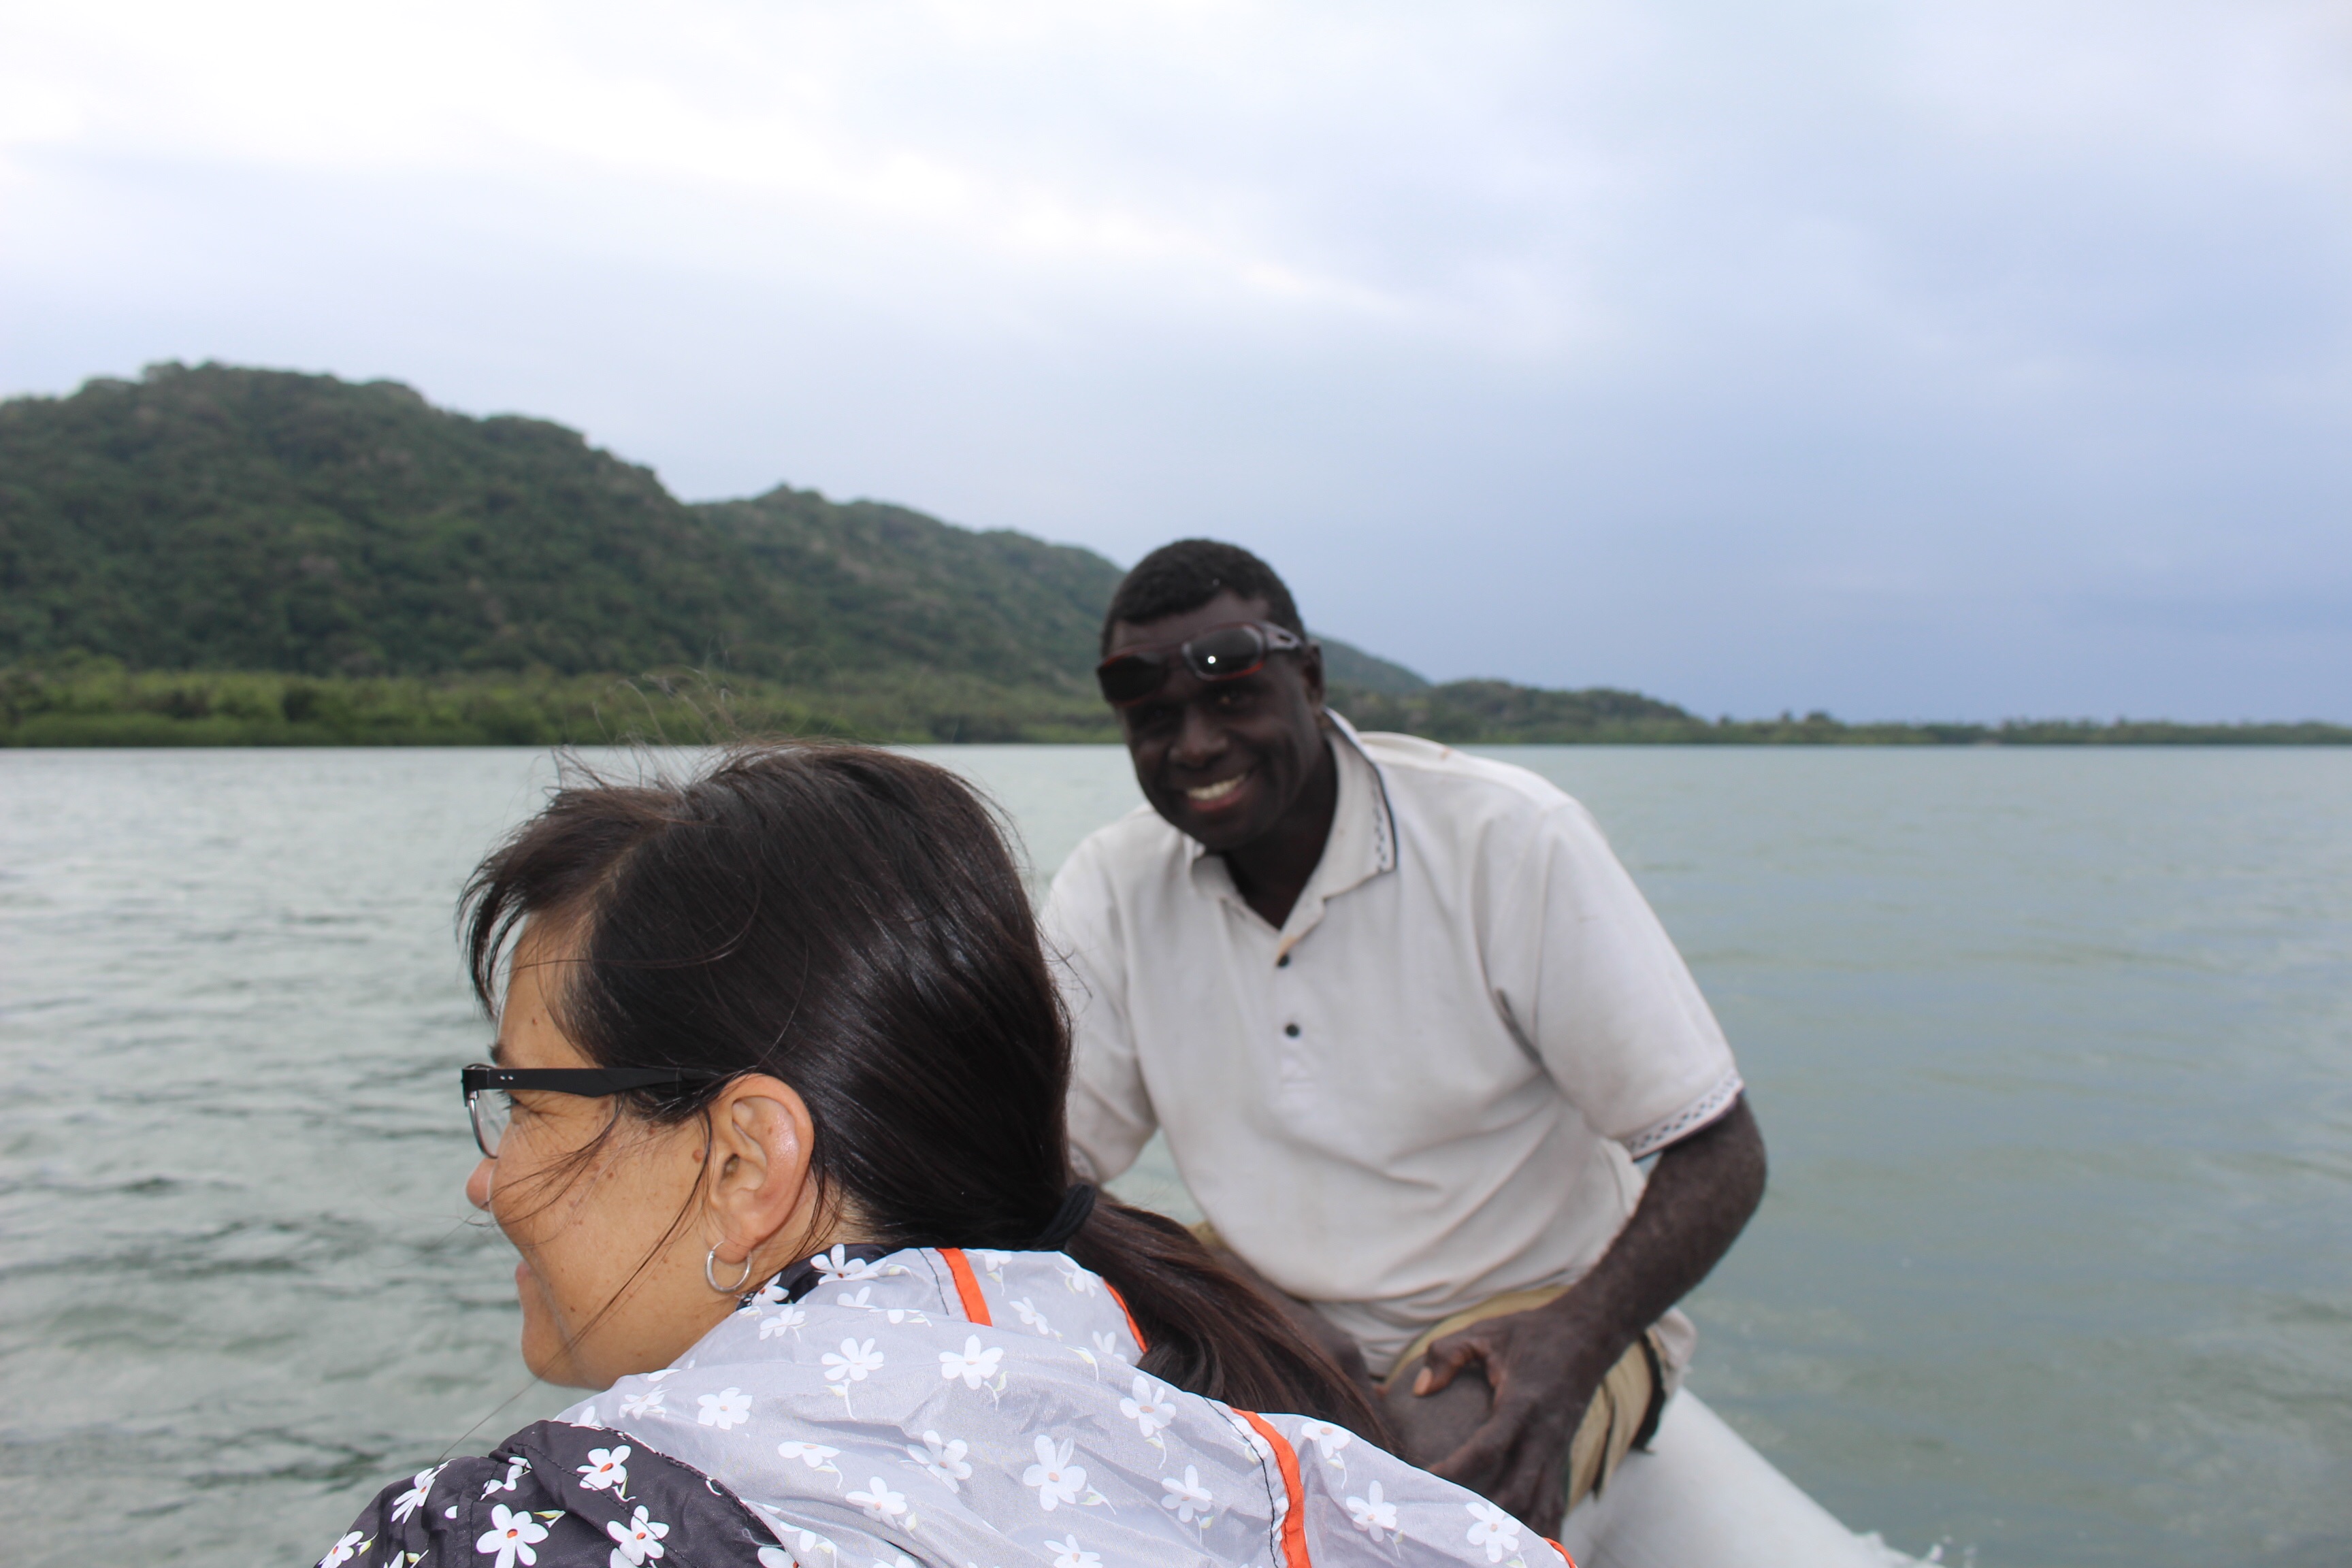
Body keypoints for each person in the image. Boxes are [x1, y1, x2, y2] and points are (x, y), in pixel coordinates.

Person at [320, 744, 1575, 1568]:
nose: (485, 1177)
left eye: (523, 1099)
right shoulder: (1275, 1461)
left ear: (746, 1165)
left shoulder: (544, 1536)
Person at [1044, 540, 1770, 1538]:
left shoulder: (1507, 838)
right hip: (1264, 1281)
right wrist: (1235, 1293)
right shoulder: (1113, 884)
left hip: (1526, 1301)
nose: (1197, 746)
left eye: (1232, 700)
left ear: (1310, 681)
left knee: (1419, 1506)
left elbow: (1720, 1151)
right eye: (1155, 721)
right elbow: (1041, 1168)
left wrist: (1575, 1338)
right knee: (1089, 1467)